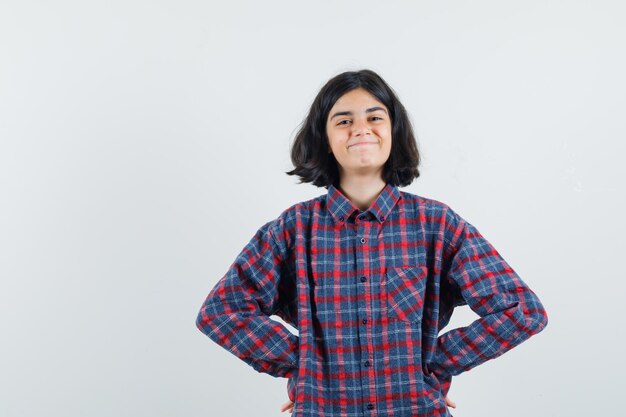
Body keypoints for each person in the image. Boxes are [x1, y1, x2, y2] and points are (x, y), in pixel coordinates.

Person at [195, 69, 548, 417]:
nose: (361, 128)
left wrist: (438, 362)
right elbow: (221, 311)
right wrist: (303, 365)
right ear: (326, 139)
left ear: (393, 130)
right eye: (343, 120)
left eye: (374, 117)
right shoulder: (292, 229)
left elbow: (521, 311)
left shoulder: (437, 225)